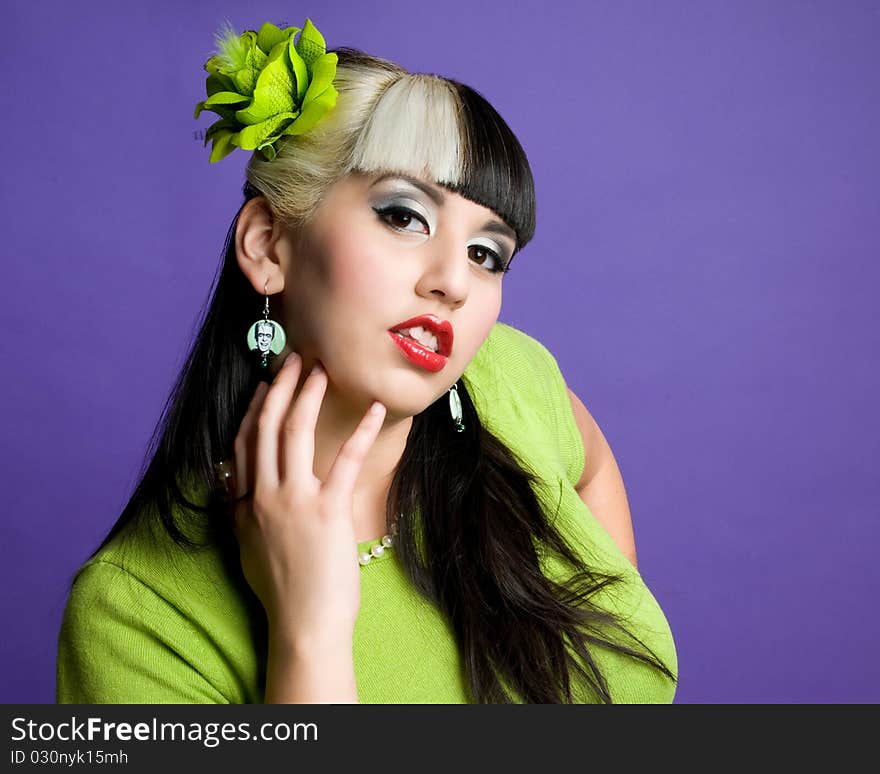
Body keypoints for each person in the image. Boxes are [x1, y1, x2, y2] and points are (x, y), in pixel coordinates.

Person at [56, 18, 678, 704]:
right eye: (404, 216)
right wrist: (309, 632)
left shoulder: (507, 379)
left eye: (487, 254)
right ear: (267, 245)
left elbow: (592, 475)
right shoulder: (134, 618)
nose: (455, 282)